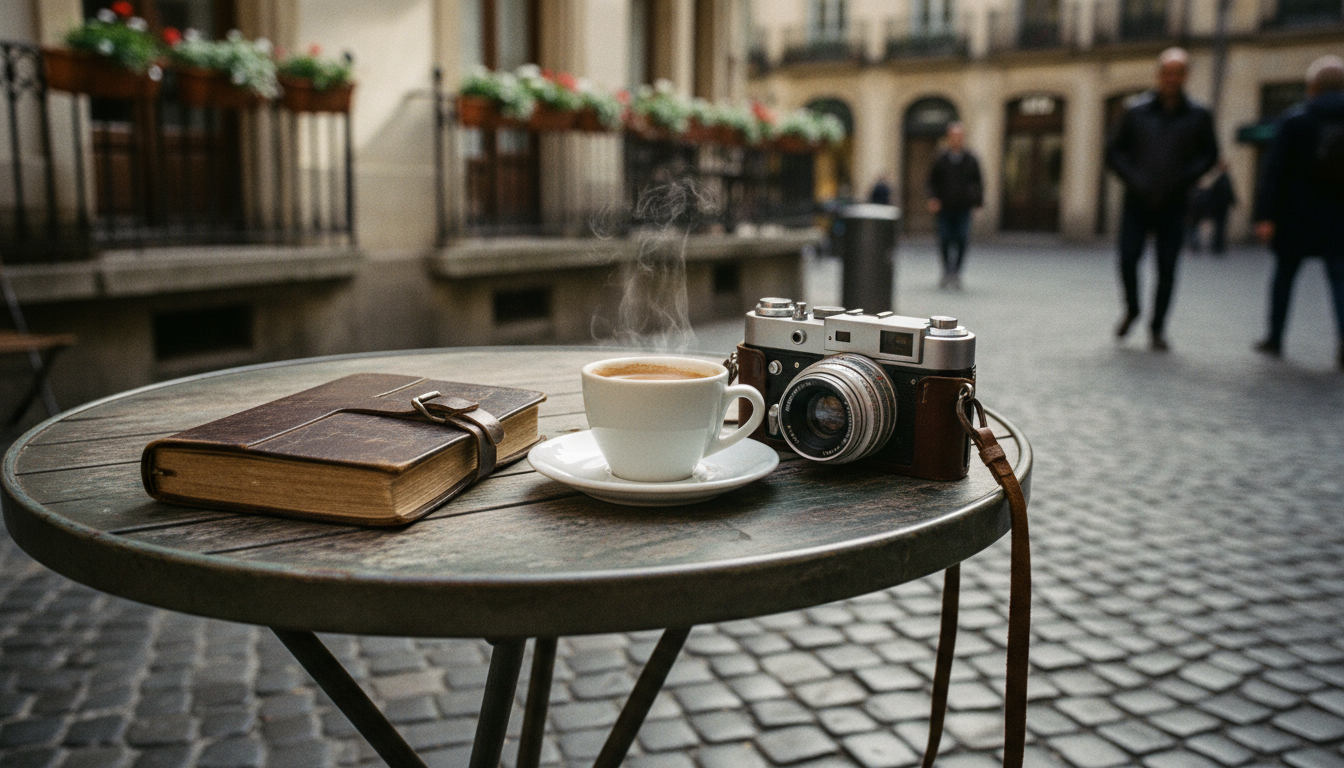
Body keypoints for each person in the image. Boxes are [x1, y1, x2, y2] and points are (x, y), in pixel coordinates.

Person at [1106, 47, 1219, 350]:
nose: (1171, 78)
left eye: (1178, 73)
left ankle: (1157, 328)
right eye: (1167, 72)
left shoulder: (1198, 115)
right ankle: (1133, 308)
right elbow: (1113, 152)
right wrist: (1133, 178)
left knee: (1167, 267)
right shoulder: (1136, 111)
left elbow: (1210, 154)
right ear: (1159, 75)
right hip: (1137, 200)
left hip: (1174, 202)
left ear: (1185, 76)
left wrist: (1185, 177)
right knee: (1128, 258)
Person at [1252, 55, 1344, 368]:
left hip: (1296, 214)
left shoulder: (1295, 120)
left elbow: (1274, 172)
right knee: (1340, 281)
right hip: (1338, 217)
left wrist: (1265, 216)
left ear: (1313, 87)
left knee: (1284, 277)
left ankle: (1275, 337)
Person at [926, 122, 983, 290]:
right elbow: (931, 182)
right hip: (944, 208)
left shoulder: (971, 159)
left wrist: (977, 204)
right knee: (944, 240)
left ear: (963, 138)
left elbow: (978, 183)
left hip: (963, 208)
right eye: (953, 136)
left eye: (959, 136)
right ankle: (946, 271)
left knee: (962, 240)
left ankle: (956, 273)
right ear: (949, 138)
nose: (956, 139)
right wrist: (933, 198)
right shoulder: (940, 158)